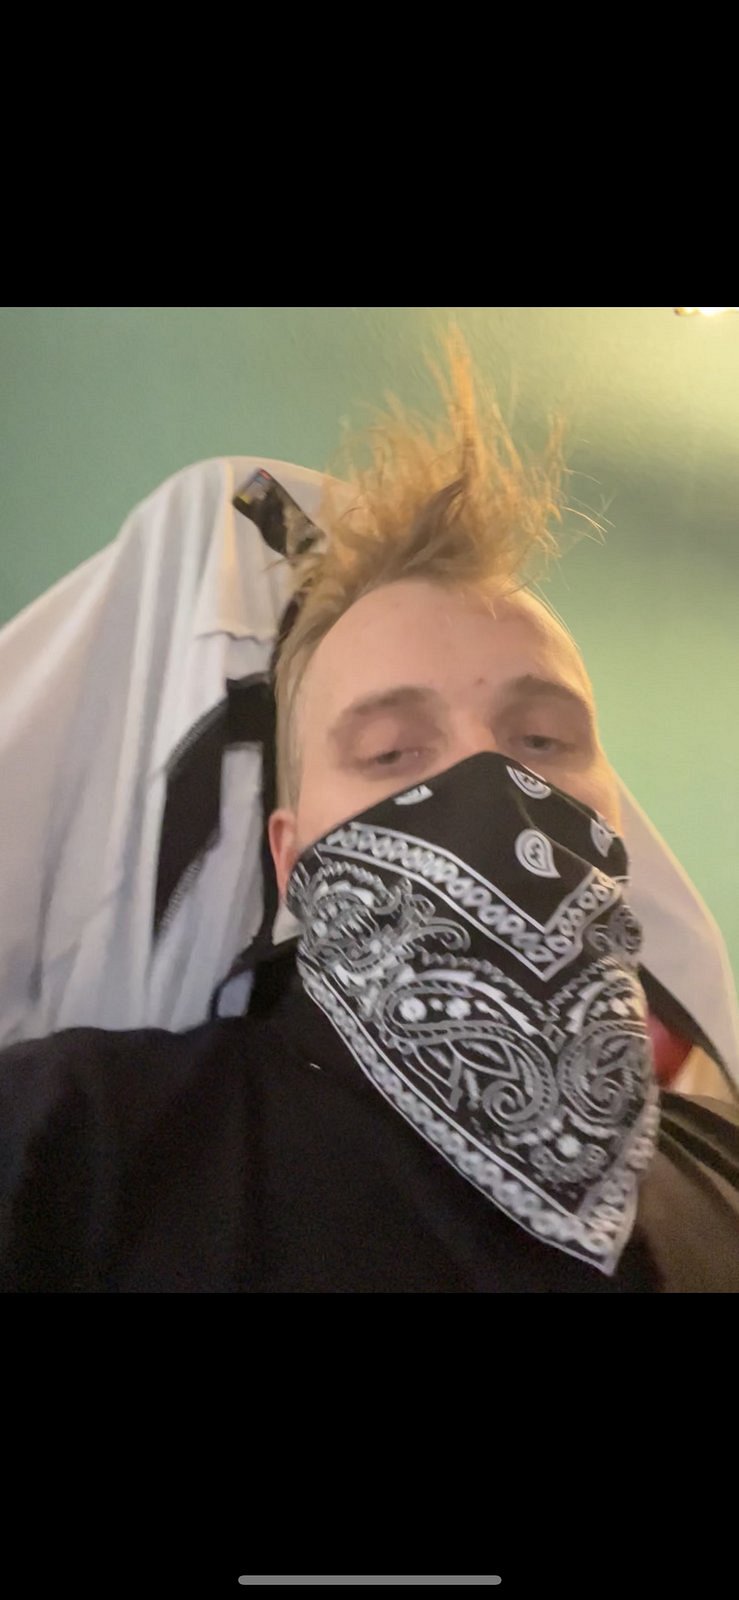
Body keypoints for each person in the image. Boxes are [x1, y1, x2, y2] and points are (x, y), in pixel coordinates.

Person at [1, 335, 738, 1293]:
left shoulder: (720, 1159)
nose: (488, 780)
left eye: (542, 738)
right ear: (289, 856)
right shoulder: (75, 1142)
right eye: (391, 751)